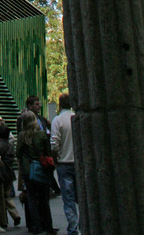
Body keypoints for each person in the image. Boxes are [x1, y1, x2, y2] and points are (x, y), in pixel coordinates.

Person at [16, 110, 57, 235]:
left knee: (32, 199)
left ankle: (36, 226)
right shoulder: (41, 134)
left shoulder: (22, 136)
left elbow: (18, 153)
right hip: (41, 168)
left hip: (28, 171)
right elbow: (48, 152)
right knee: (44, 199)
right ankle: (48, 226)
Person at [50, 93, 79, 235]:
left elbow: (54, 144)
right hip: (78, 162)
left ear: (60, 104)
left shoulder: (58, 120)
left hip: (64, 163)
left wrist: (55, 159)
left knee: (68, 199)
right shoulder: (76, 118)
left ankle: (73, 229)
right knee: (82, 197)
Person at [0, 122, 22, 230]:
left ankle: (3, 220)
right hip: (10, 174)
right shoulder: (10, 146)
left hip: (1, 174)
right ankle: (15, 214)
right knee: (7, 195)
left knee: (1, 198)